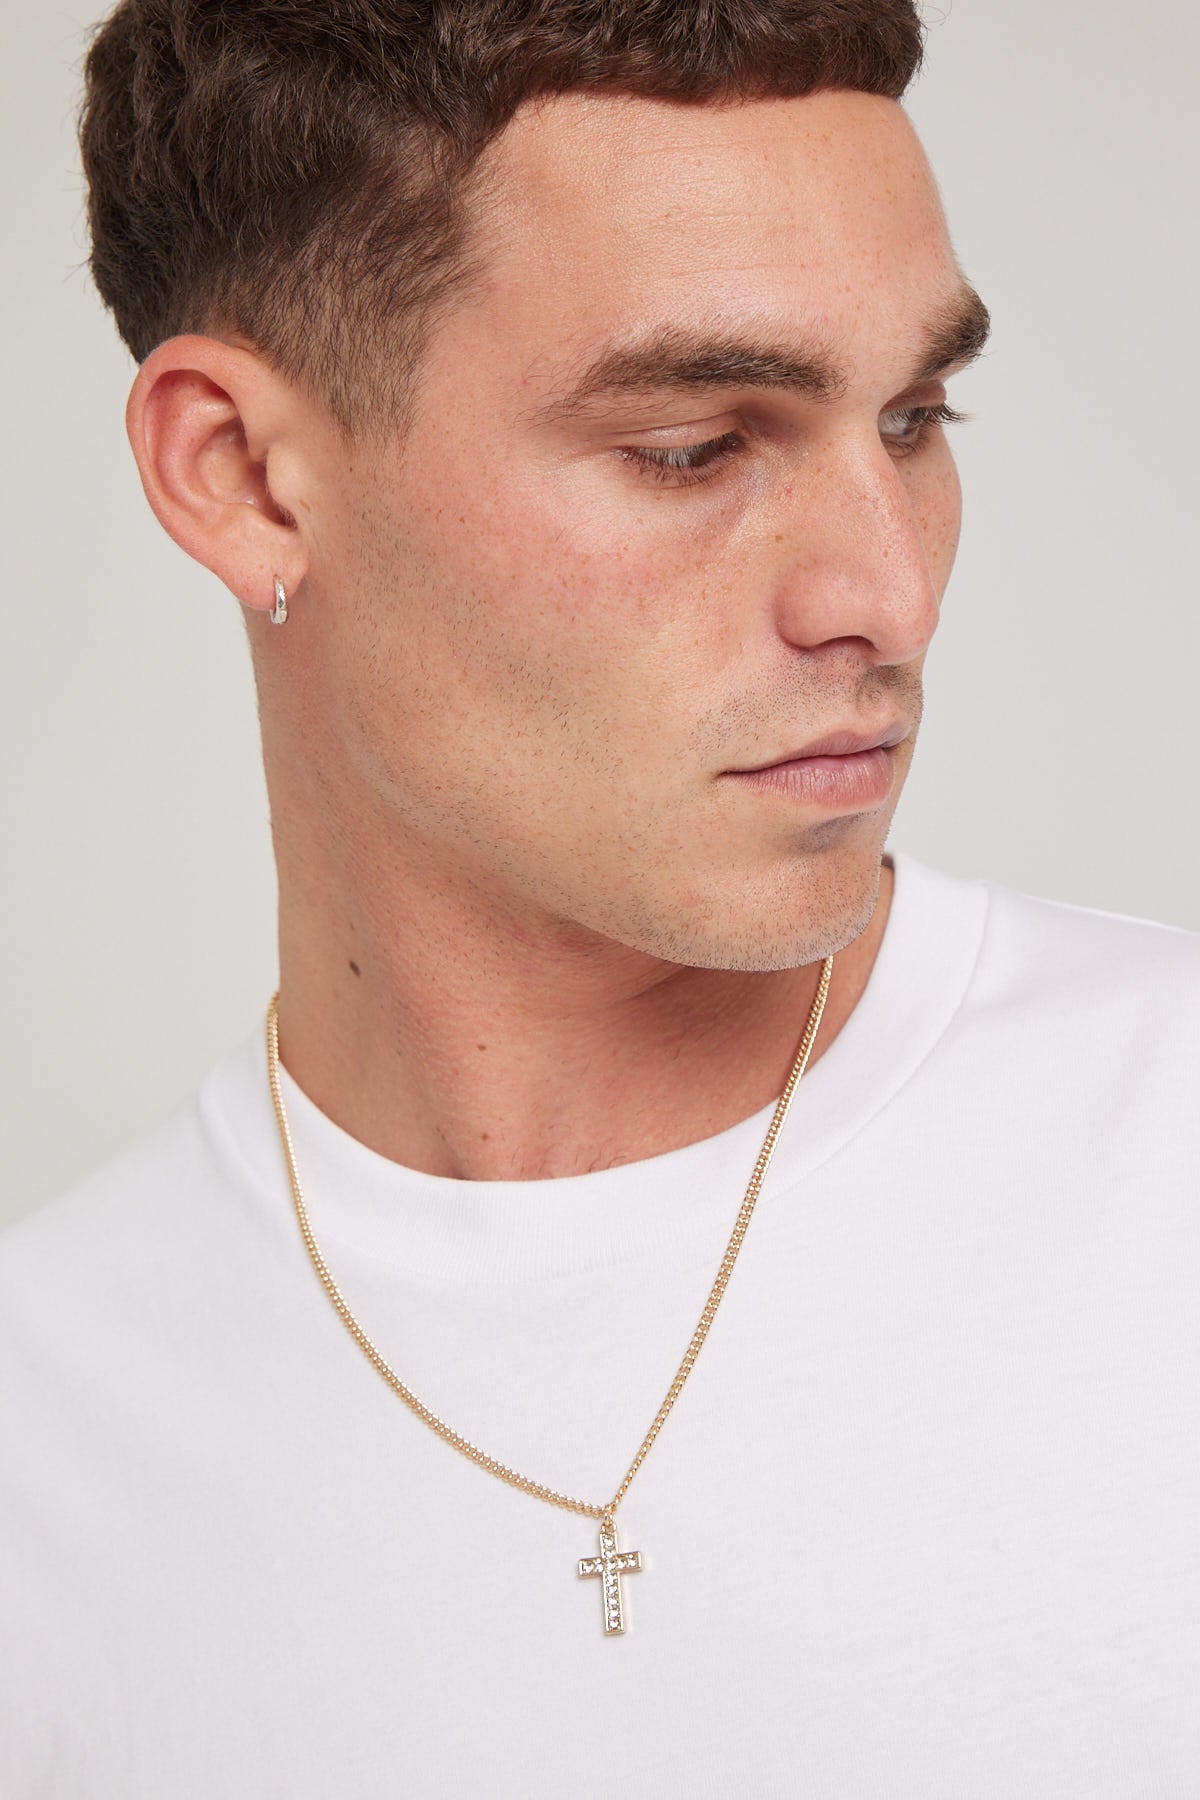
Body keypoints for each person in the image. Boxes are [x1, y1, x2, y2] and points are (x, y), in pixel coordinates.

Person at [2, 0, 1197, 1792]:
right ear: (240, 476)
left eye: (915, 417)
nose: (890, 596)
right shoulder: (42, 1443)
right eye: (693, 447)